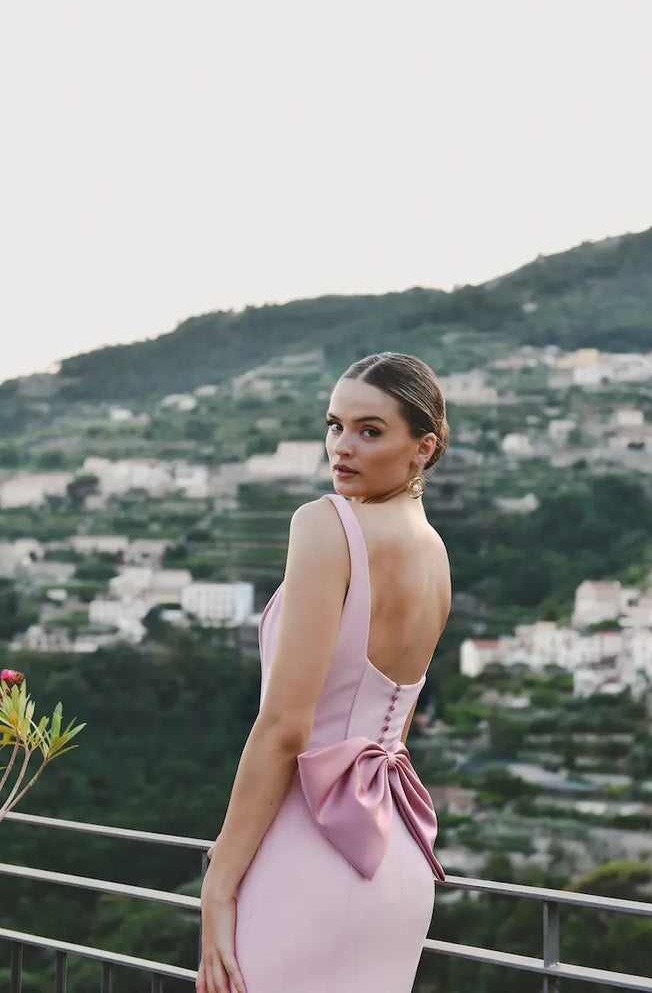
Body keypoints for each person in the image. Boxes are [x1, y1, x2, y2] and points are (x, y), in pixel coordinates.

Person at [196, 351, 451, 993]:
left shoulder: (324, 524)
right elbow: (388, 730)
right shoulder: (435, 554)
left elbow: (285, 726)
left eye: (370, 431)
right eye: (335, 425)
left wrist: (218, 884)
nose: (342, 446)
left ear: (424, 447)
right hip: (395, 863)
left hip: (307, 859)